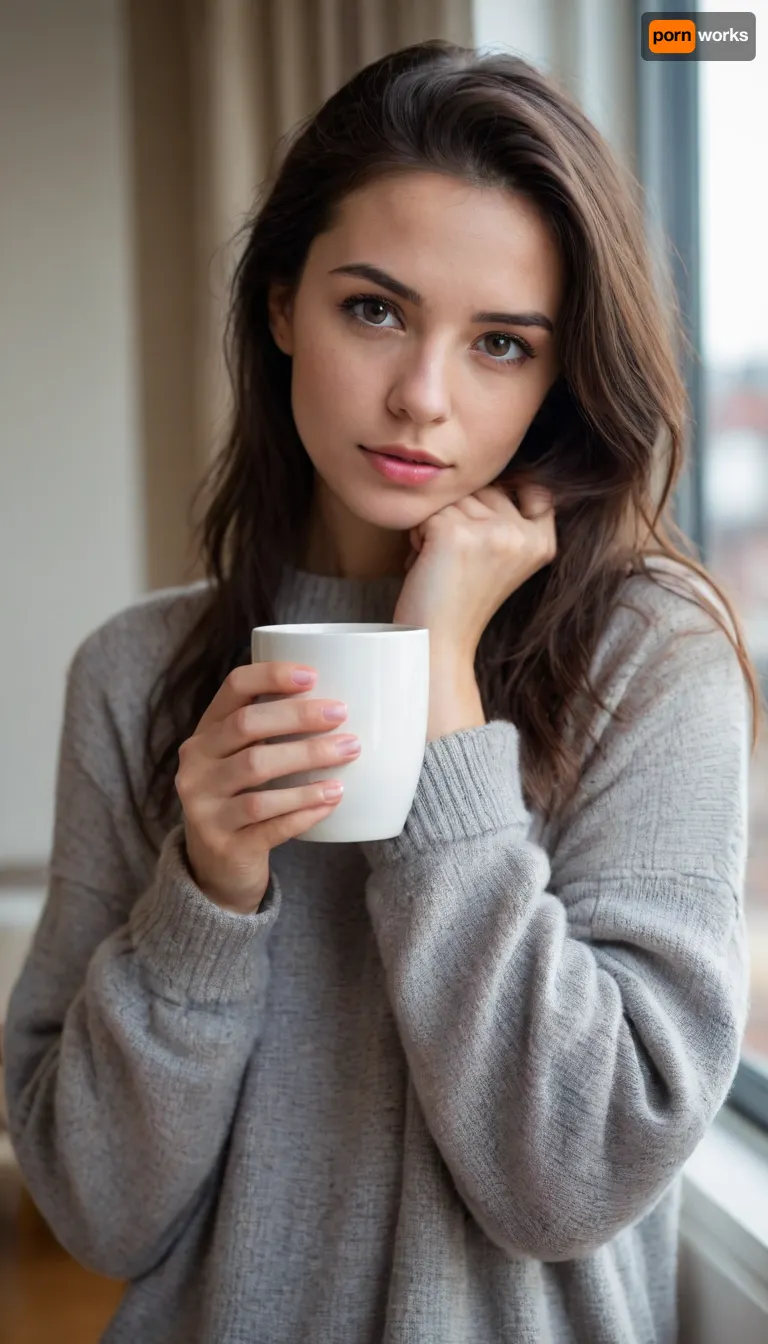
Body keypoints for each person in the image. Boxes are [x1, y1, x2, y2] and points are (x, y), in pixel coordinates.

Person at [3, 39, 763, 1344]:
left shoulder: (653, 659)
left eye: (502, 344)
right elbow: (96, 1216)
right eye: (375, 310)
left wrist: (446, 694)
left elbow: (571, 1169)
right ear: (283, 302)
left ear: (561, 375)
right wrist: (208, 890)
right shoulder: (136, 676)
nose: (423, 398)